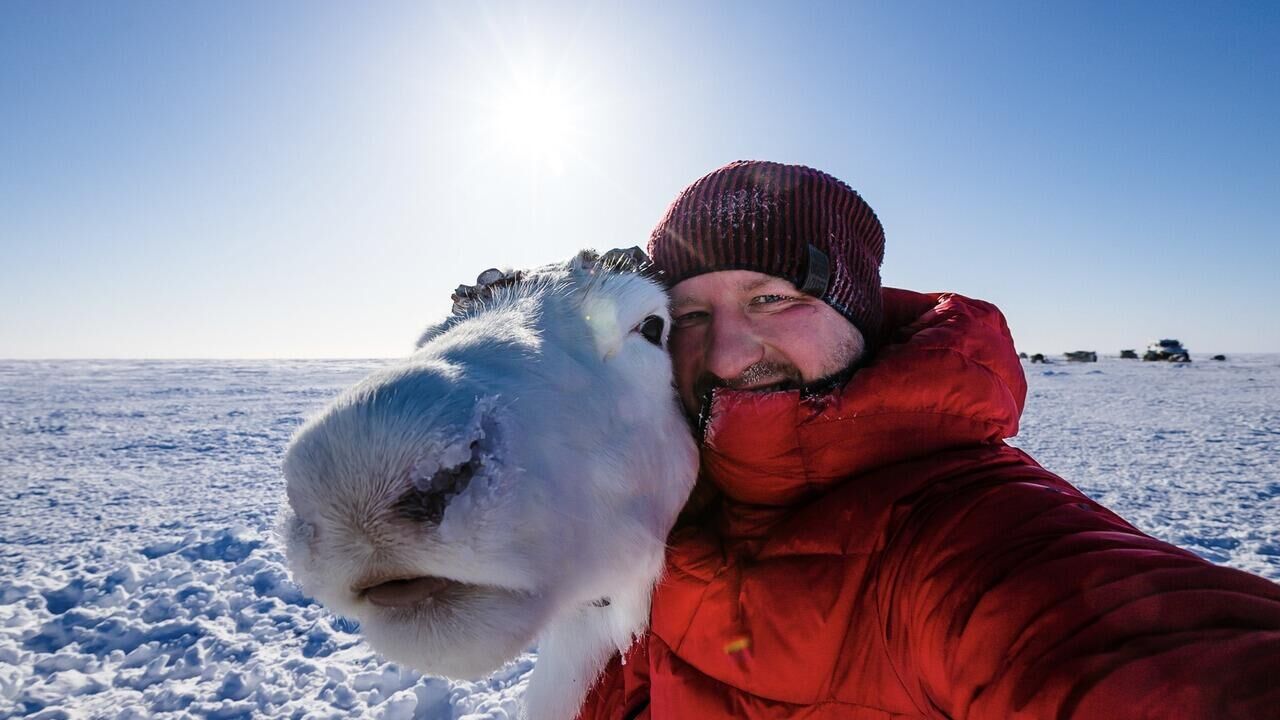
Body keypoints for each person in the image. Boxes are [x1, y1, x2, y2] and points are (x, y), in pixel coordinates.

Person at [576, 161, 1280, 719]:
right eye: (692, 314)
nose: (726, 355)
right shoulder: (654, 498)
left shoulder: (969, 538)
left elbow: (1151, 660)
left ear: (858, 313)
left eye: (773, 299)